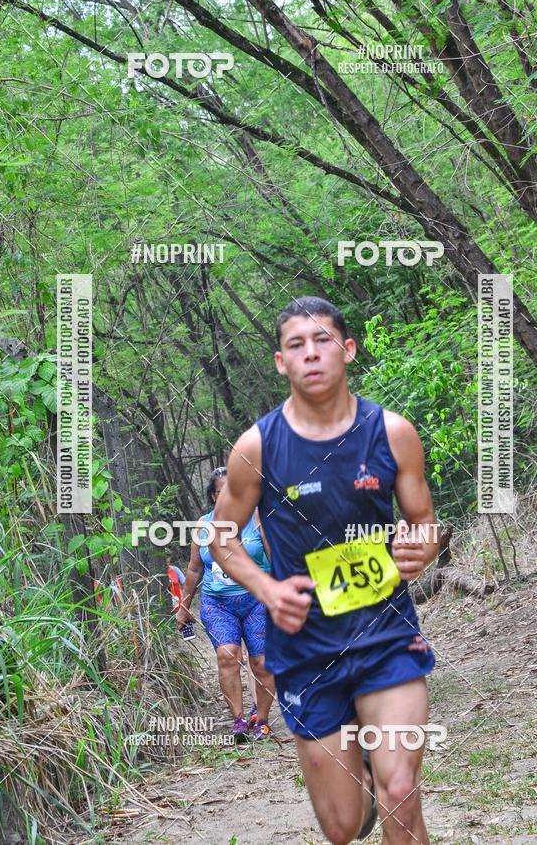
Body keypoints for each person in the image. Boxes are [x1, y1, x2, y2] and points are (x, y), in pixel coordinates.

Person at [208, 297, 439, 845]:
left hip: (387, 638)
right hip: (307, 652)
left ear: (348, 350)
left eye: (323, 341)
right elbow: (221, 538)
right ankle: (356, 756)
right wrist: (267, 589)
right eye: (296, 345)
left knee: (400, 790)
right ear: (281, 362)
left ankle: (382, 768)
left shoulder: (392, 432)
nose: (311, 354)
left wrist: (420, 547)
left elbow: (423, 519)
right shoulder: (257, 448)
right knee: (343, 827)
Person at [175, 467, 276, 743]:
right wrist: (184, 607)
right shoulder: (203, 525)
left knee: (262, 662)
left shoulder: (256, 518)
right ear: (213, 495)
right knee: (227, 655)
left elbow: (273, 556)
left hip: (257, 600)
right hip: (218, 603)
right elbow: (194, 571)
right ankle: (239, 720)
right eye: (222, 493)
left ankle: (262, 720)